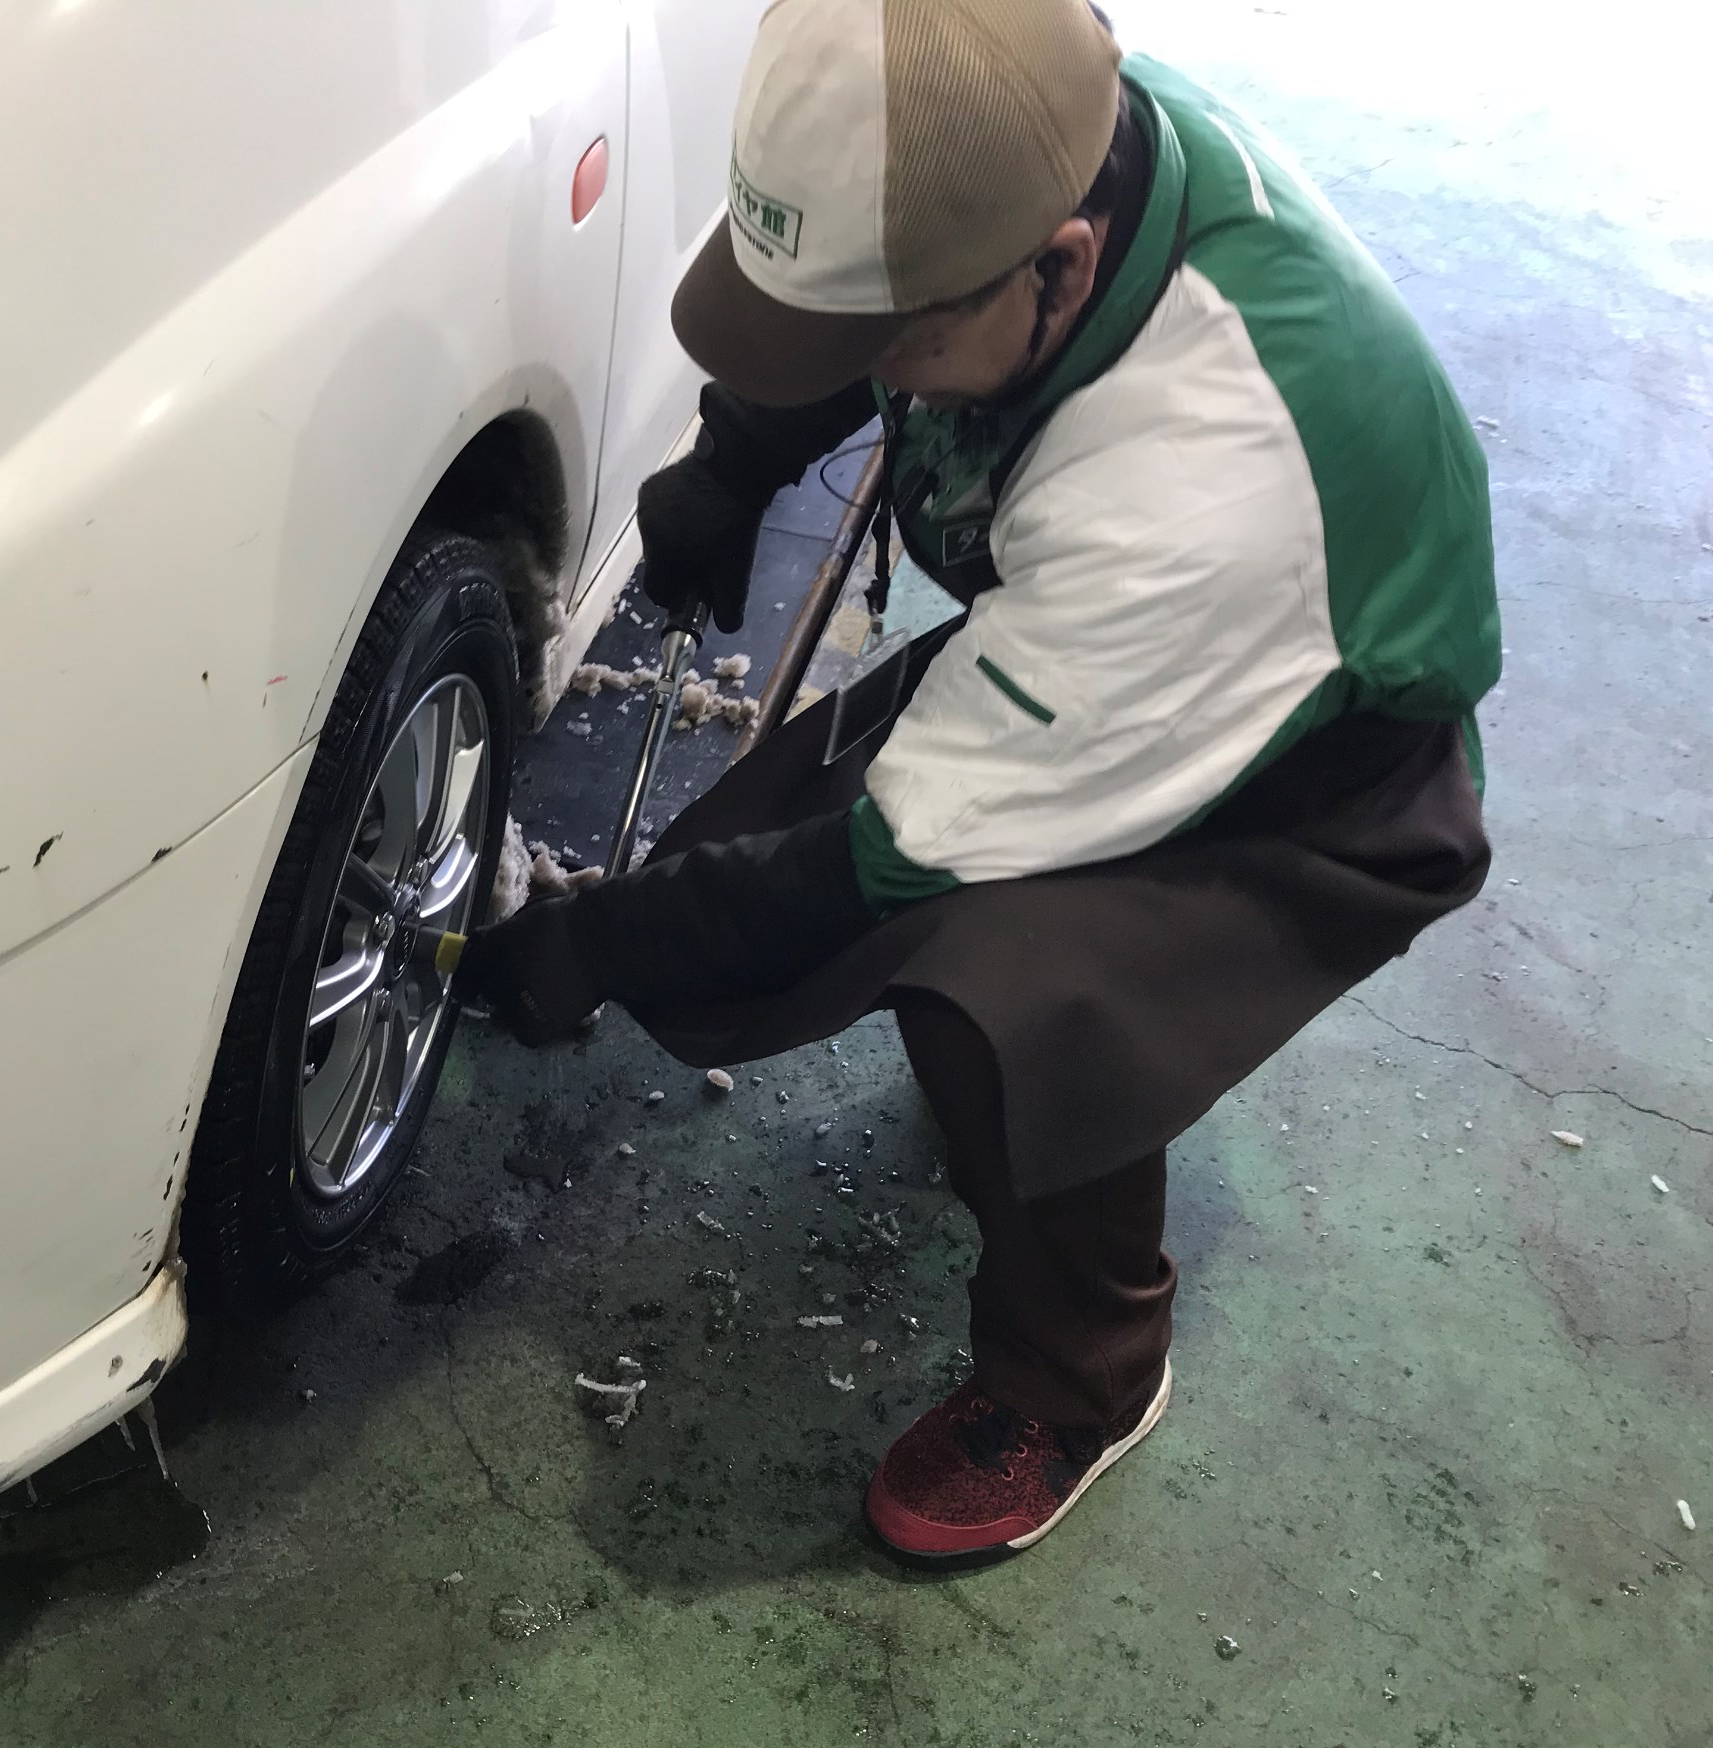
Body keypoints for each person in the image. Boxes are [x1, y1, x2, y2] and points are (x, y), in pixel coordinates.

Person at [458, 0, 1498, 1562]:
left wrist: (600, 941)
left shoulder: (1190, 498)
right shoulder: (1021, 131)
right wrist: (736, 461)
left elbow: (889, 853)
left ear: (1060, 268)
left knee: (995, 985)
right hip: (1140, 636)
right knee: (770, 846)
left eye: (891, 344)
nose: (870, 368)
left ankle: (1082, 1380)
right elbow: (860, 302)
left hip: (1318, 763)